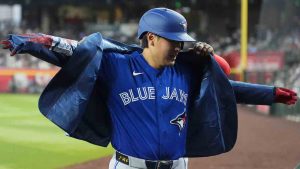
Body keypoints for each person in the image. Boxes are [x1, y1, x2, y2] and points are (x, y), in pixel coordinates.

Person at [0, 7, 297, 169]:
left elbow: (227, 89)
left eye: (181, 40)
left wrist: (272, 94)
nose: (179, 46)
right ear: (151, 38)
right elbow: (70, 55)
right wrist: (28, 44)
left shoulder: (185, 70)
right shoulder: (115, 65)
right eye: (173, 40)